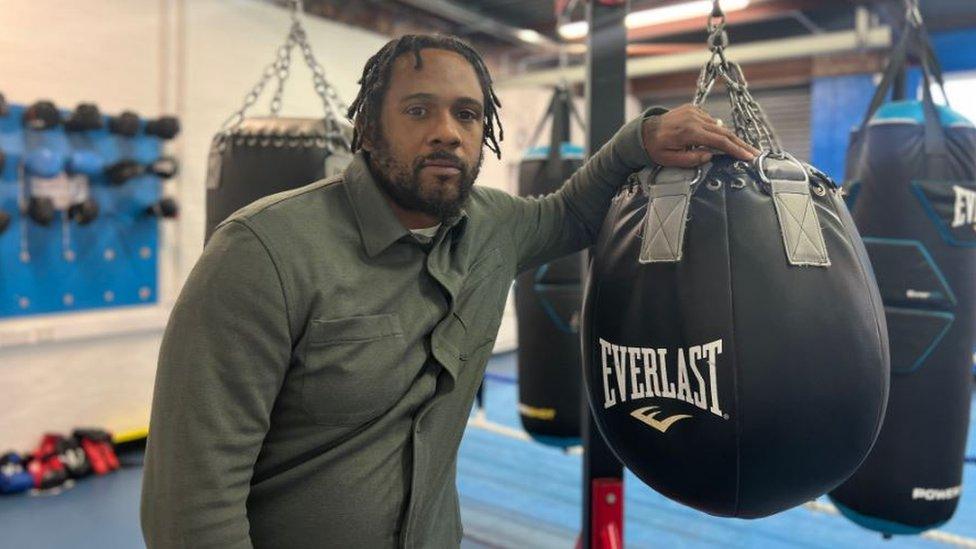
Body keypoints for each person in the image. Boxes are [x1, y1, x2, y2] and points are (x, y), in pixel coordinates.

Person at [140, 34, 757, 548]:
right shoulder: (261, 253)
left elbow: (571, 212)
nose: (447, 132)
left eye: (466, 113)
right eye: (418, 111)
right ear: (367, 128)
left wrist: (640, 139)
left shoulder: (492, 227)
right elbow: (191, 508)